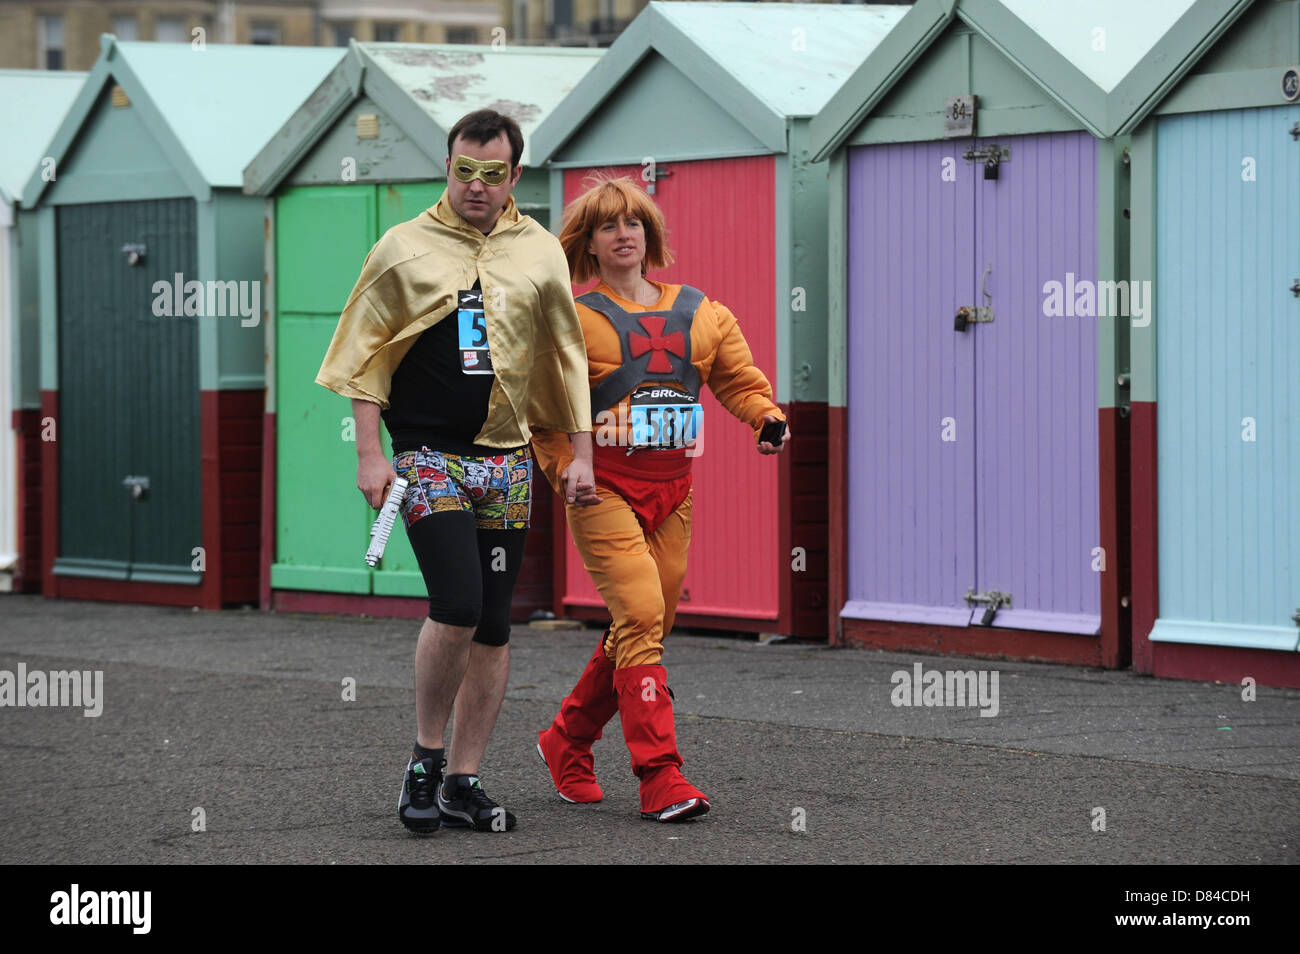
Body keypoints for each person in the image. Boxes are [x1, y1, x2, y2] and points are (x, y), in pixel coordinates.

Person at [316, 109, 596, 835]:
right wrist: (368, 454)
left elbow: (565, 356)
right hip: (426, 455)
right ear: (447, 167)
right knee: (458, 603)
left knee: (498, 626)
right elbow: (364, 353)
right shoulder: (402, 247)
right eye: (463, 170)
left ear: (515, 177)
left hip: (504, 459)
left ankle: (464, 781)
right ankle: (425, 759)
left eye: (492, 173)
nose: (476, 185)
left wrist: (580, 455)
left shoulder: (540, 251)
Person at [531, 177, 790, 822]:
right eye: (609, 226)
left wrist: (765, 418)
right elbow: (545, 412)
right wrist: (566, 469)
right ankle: (661, 776)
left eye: (634, 224)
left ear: (651, 236)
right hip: (602, 490)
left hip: (674, 492)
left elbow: (738, 380)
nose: (624, 234)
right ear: (588, 243)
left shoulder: (704, 312)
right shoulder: (572, 319)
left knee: (646, 623)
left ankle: (567, 738)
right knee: (643, 614)